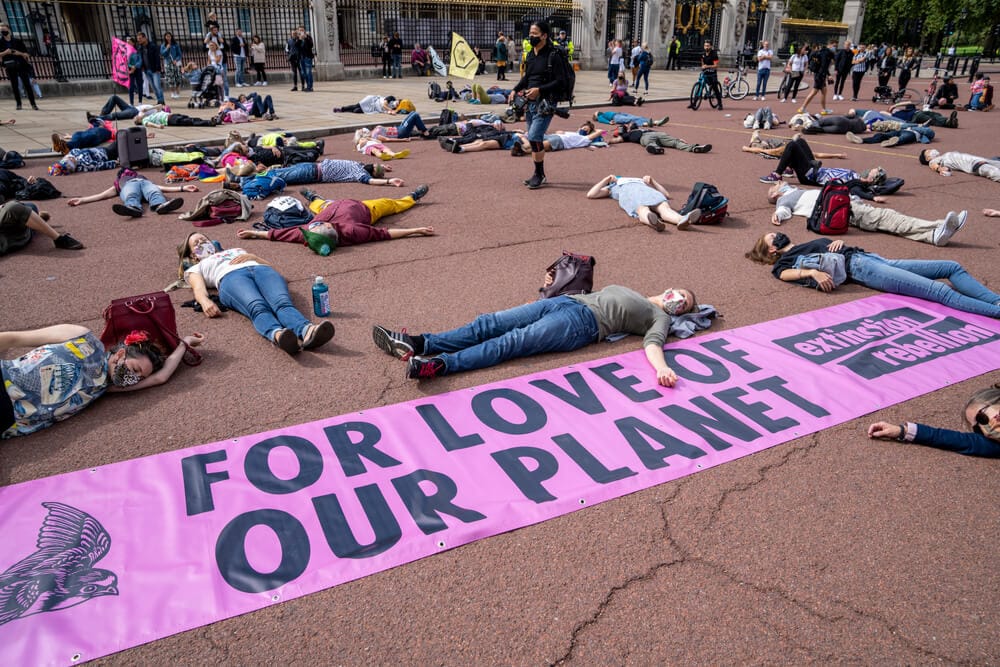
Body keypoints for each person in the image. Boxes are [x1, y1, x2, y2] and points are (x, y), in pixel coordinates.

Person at [372, 284, 700, 380]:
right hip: (563, 303)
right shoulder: (639, 293)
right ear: (670, 287)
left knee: (508, 344)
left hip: (581, 326)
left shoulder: (660, 318)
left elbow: (653, 344)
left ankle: (438, 365)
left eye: (684, 304)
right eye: (680, 295)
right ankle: (417, 342)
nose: (678, 302)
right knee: (487, 323)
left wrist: (663, 368)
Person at [1, 324, 203, 438]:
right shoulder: (81, 336)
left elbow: (161, 377)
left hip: (10, 419)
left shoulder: (103, 387)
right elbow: (13, 338)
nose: (133, 379)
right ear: (120, 354)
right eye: (134, 369)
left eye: (139, 377)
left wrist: (185, 343)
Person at [746, 232, 1000, 318]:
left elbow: (832, 249)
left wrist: (838, 241)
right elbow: (784, 275)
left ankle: (995, 301)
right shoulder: (785, 261)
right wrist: (811, 271)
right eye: (772, 237)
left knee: (950, 266)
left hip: (872, 258)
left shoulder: (801, 245)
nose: (776, 235)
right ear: (771, 248)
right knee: (939, 291)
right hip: (863, 269)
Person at [179, 232, 334, 354]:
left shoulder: (235, 250)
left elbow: (274, 269)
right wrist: (206, 302)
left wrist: (254, 257)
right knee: (257, 306)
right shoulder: (195, 268)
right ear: (192, 255)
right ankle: (278, 335)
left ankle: (307, 330)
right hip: (230, 278)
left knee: (281, 302)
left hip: (261, 270)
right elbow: (198, 289)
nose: (202, 243)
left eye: (204, 239)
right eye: (196, 243)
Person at [766, 181, 967, 246]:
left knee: (889, 219)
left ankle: (935, 230)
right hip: (847, 211)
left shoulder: (798, 191)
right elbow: (783, 210)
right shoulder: (787, 197)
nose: (781, 182)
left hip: (847, 207)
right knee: (888, 218)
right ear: (776, 194)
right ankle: (934, 231)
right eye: (776, 185)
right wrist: (778, 215)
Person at [237, 185, 432, 249]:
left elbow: (279, 234)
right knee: (391, 204)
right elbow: (385, 233)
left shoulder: (309, 232)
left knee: (317, 206)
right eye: (317, 225)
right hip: (365, 208)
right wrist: (415, 230)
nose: (311, 225)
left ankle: (313, 197)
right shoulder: (353, 231)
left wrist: (254, 234)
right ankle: (412, 197)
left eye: (315, 225)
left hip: (330, 206)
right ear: (330, 229)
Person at [510, 20, 568, 190]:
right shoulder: (531, 54)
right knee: (534, 139)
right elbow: (527, 78)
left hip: (546, 103)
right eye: (530, 33)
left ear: (544, 35)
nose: (531, 36)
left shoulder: (553, 55)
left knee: (535, 137)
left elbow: (561, 81)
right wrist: (515, 90)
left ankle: (539, 174)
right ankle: (539, 174)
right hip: (531, 103)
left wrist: (539, 90)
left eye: (535, 34)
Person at [867, 385, 1000, 458]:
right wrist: (902, 431)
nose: (985, 427)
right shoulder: (994, 445)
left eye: (982, 417)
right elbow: (948, 438)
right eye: (978, 428)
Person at [759, 137, 888, 188]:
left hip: (810, 176)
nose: (870, 169)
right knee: (800, 141)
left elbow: (853, 189)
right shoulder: (856, 176)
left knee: (792, 145)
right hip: (816, 169)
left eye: (873, 171)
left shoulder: (856, 183)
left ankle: (777, 174)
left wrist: (870, 192)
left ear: (871, 178)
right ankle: (790, 167)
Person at [67, 167, 199, 218]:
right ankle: (133, 207)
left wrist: (183, 188)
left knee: (154, 192)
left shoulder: (141, 178)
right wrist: (82, 199)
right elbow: (102, 195)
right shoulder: (119, 183)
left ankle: (160, 206)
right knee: (132, 195)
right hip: (130, 186)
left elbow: (159, 187)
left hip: (145, 185)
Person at [587, 174, 702, 231]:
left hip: (648, 191)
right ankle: (653, 222)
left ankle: (682, 220)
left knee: (664, 208)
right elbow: (591, 194)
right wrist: (606, 180)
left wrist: (653, 181)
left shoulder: (640, 181)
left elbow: (667, 194)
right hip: (630, 193)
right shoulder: (612, 187)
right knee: (642, 209)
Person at [248, 159, 405, 188]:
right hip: (312, 172)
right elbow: (370, 181)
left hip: (313, 167)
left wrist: (383, 169)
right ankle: (245, 180)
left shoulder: (357, 165)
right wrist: (388, 180)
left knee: (274, 173)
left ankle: (242, 178)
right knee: (274, 176)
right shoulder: (359, 170)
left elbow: (371, 176)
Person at [0, 200, 83, 253]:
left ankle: (34, 219)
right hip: (11, 236)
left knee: (26, 206)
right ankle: (58, 238)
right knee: (19, 207)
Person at [1, 22, 38, 110]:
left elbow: (26, 54)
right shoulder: (0, 42)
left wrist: (18, 53)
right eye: (1, 30)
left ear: (8, 29)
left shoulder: (17, 41)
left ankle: (33, 104)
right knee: (14, 86)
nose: (3, 31)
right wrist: (6, 52)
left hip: (21, 65)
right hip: (10, 66)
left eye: (4, 29)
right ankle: (18, 104)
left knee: (27, 85)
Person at [612, 122, 711, 154]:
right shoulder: (628, 134)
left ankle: (694, 148)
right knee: (649, 142)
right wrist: (607, 141)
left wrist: (677, 138)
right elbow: (618, 139)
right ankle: (656, 149)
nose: (630, 124)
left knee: (674, 142)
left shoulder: (642, 128)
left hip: (657, 134)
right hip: (644, 137)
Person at [742, 130, 846, 159]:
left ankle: (754, 138)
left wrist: (747, 149)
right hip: (777, 142)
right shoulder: (799, 151)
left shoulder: (782, 151)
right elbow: (818, 154)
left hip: (766, 145)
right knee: (757, 140)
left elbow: (762, 151)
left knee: (755, 142)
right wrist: (837, 155)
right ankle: (755, 137)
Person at [799, 39, 836, 115]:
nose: (835, 48)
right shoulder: (827, 53)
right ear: (831, 44)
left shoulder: (821, 51)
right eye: (834, 46)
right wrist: (828, 75)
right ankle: (802, 108)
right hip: (820, 76)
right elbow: (824, 66)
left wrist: (827, 75)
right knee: (814, 92)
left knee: (824, 91)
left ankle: (824, 109)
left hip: (818, 74)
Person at [919, 149, 1000, 182]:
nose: (932, 150)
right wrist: (939, 169)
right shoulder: (933, 161)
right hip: (974, 165)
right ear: (927, 158)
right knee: (994, 172)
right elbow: (933, 165)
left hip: (982, 160)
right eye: (929, 151)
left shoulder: (943, 156)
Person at [49, 118, 114, 154]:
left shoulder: (99, 129)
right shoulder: (106, 131)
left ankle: (64, 145)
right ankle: (65, 145)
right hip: (88, 136)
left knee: (79, 140)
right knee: (81, 140)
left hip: (82, 136)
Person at [689, 40, 723, 110]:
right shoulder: (703, 54)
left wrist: (707, 66)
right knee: (699, 87)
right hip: (705, 73)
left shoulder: (714, 54)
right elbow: (702, 63)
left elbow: (716, 66)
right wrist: (703, 67)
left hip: (712, 74)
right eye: (705, 46)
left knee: (715, 88)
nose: (706, 47)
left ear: (710, 46)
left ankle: (720, 104)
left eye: (707, 46)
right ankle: (694, 103)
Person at [136, 32, 165, 106]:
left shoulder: (153, 46)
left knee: (157, 85)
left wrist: (158, 68)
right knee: (153, 86)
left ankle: (161, 100)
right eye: (138, 39)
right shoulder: (140, 48)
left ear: (145, 38)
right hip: (146, 69)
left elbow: (157, 58)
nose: (139, 40)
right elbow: (140, 58)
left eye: (140, 38)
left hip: (154, 69)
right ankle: (159, 100)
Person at [204, 25, 228, 99]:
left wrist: (214, 52)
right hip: (212, 68)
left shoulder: (218, 51)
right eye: (210, 46)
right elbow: (208, 60)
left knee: (222, 82)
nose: (211, 47)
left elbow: (217, 60)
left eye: (212, 46)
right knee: (213, 83)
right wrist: (208, 67)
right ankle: (216, 96)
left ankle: (225, 95)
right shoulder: (209, 51)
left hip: (218, 68)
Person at [161, 32, 184, 99]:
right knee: (171, 79)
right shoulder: (163, 45)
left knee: (177, 78)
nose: (168, 38)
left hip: (175, 63)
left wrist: (176, 60)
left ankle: (177, 93)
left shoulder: (175, 45)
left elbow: (179, 54)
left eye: (169, 36)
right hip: (168, 63)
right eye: (167, 36)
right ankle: (172, 92)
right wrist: (167, 48)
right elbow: (162, 54)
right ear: (165, 37)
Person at [137, 109, 217, 128]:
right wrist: (158, 126)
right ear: (139, 120)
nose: (141, 114)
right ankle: (209, 123)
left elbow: (159, 108)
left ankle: (213, 121)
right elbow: (149, 124)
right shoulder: (145, 120)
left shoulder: (149, 115)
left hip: (172, 115)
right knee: (190, 121)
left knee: (192, 119)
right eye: (139, 116)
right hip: (169, 120)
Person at [592, 109, 670, 127]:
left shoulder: (603, 113)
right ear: (596, 116)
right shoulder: (600, 117)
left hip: (619, 114)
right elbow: (602, 120)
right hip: (616, 117)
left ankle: (655, 122)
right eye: (596, 113)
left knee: (637, 117)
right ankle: (650, 123)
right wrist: (609, 122)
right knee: (633, 119)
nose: (598, 111)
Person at [297, 26, 314, 92]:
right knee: (303, 73)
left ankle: (310, 87)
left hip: (308, 57)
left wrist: (306, 38)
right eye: (300, 30)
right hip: (301, 58)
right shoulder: (298, 38)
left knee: (308, 72)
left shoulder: (308, 37)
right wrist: (300, 39)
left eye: (302, 30)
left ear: (304, 31)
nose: (301, 31)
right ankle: (308, 86)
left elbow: (311, 45)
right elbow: (296, 46)